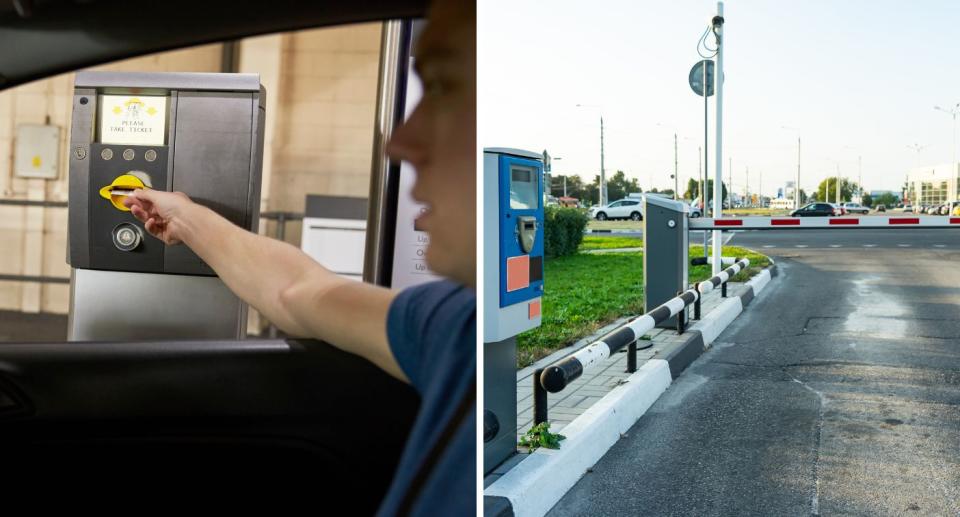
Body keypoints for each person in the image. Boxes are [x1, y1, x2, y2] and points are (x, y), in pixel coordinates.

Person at [122, 1, 476, 515]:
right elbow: (300, 292)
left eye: (443, 87)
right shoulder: (449, 326)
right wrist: (186, 219)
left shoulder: (450, 328)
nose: (400, 144)